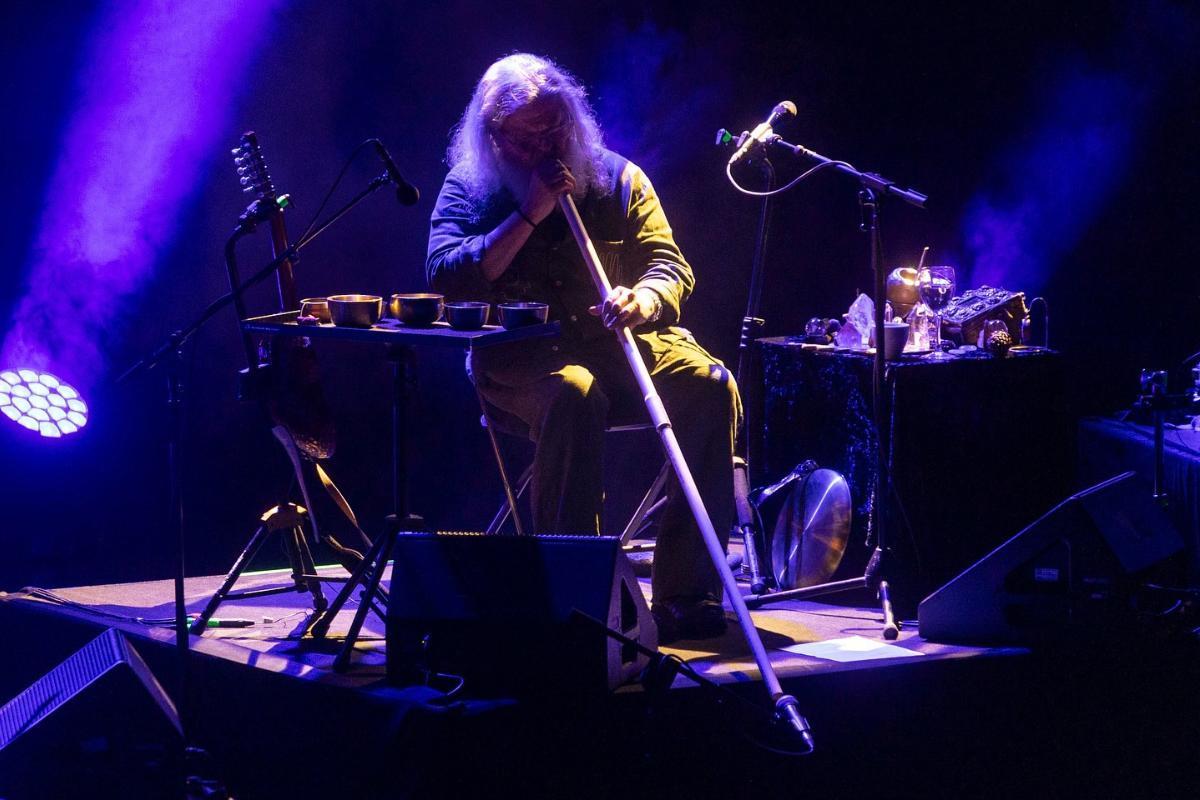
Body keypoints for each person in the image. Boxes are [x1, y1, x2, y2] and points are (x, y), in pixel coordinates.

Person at [427, 53, 739, 643]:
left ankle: (687, 592)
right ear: (494, 136)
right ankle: (575, 596)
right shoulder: (469, 187)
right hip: (523, 360)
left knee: (710, 384)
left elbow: (669, 266)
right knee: (575, 391)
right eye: (527, 139)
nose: (545, 147)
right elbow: (446, 275)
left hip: (621, 344)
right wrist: (529, 213)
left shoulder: (619, 178)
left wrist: (644, 299)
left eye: (556, 129)